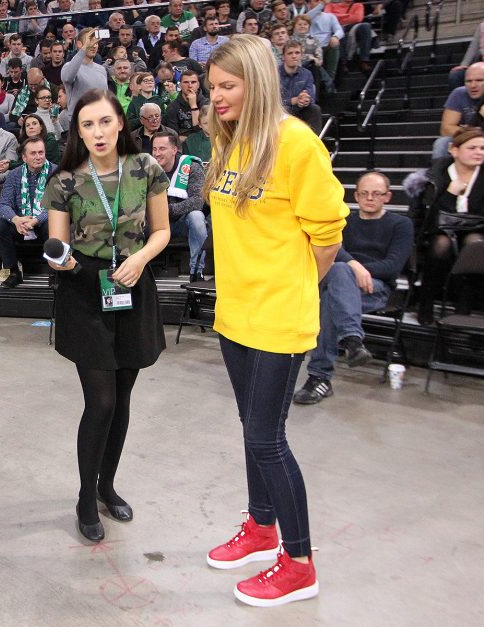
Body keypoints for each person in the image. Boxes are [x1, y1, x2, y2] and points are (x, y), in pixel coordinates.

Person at [203, 35, 348, 607]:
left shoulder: (296, 143)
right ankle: (261, 529)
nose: (216, 96)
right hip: (234, 313)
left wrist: (290, 289)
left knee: (267, 438)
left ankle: (300, 561)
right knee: (250, 427)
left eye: (227, 86)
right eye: (212, 86)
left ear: (257, 84)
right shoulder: (229, 140)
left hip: (279, 315)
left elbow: (328, 236)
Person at [43, 89, 170, 543]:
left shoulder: (147, 169)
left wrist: (139, 260)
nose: (97, 132)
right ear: (78, 132)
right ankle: (84, 497)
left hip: (133, 282)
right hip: (85, 288)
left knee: (123, 397)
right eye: (86, 125)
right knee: (101, 401)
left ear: (120, 122)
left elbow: (163, 231)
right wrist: (66, 262)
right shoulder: (63, 181)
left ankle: (106, 486)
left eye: (103, 122)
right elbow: (57, 246)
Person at [294, 171, 413, 404]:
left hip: (376, 289)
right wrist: (352, 266)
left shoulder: (401, 224)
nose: (370, 198)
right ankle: (351, 341)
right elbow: (333, 250)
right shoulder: (346, 221)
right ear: (356, 196)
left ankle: (319, 377)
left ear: (387, 196)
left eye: (377, 194)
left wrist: (356, 269)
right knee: (337, 279)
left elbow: (392, 267)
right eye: (364, 193)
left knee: (332, 291)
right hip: (341, 284)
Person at [406, 127, 484, 325]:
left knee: (474, 243)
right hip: (437, 230)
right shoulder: (435, 175)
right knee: (441, 244)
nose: (478, 152)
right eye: (472, 147)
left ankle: (463, 308)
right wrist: (450, 192)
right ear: (454, 150)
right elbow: (428, 215)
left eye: (482, 148)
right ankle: (426, 304)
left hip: (476, 230)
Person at [0, 136, 54, 288]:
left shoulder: (56, 172)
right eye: (33, 153)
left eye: (41, 152)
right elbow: (3, 204)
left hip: (45, 219)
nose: (38, 157)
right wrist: (16, 219)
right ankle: (13, 272)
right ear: (24, 157)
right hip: (21, 220)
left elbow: (58, 206)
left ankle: (55, 272)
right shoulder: (14, 174)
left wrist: (37, 219)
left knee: (53, 225)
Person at [151, 129, 208, 282]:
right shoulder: (147, 168)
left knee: (197, 217)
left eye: (162, 148)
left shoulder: (190, 166)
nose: (157, 153)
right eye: (154, 149)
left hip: (181, 221)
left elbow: (198, 200)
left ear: (174, 150)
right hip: (154, 221)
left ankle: (196, 272)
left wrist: (168, 210)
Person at [431, 62, 484, 160]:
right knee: (442, 143)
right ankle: (438, 174)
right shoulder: (459, 93)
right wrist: (473, 134)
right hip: (467, 138)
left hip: (469, 136)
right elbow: (446, 129)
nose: (473, 85)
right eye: (468, 81)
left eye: (479, 80)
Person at [280, 40, 322, 133]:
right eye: (290, 53)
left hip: (300, 109)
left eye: (297, 53)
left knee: (314, 109)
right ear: (283, 57)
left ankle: (314, 142)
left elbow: (310, 97)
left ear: (301, 56)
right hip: (281, 111)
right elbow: (272, 103)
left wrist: (305, 100)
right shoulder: (274, 74)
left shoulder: (307, 74)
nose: (294, 56)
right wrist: (292, 101)